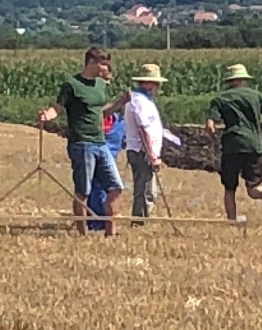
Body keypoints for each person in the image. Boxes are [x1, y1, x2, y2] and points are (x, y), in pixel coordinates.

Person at [37, 46, 131, 237]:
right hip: (82, 144)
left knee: (115, 187)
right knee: (83, 191)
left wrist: (120, 103)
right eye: (103, 64)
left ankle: (110, 233)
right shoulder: (71, 85)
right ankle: (83, 234)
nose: (106, 68)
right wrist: (47, 115)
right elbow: (58, 107)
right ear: (91, 62)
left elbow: (102, 111)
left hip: (100, 142)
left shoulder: (100, 85)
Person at [205, 64, 262, 221]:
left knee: (230, 188)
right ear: (244, 80)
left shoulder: (220, 99)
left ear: (230, 81)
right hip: (253, 145)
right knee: (253, 188)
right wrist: (259, 129)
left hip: (232, 146)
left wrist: (213, 139)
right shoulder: (257, 96)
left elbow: (210, 126)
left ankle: (232, 221)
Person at [123, 63, 169, 227]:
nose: (158, 86)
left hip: (143, 150)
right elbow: (143, 129)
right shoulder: (140, 101)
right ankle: (140, 221)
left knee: (148, 187)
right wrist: (151, 154)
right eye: (155, 83)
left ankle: (142, 218)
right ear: (148, 83)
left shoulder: (142, 100)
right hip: (142, 151)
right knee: (145, 188)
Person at [87, 111, 126, 232]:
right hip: (99, 155)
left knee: (108, 189)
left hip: (109, 156)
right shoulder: (108, 117)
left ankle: (101, 221)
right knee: (98, 189)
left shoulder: (119, 120)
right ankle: (97, 221)